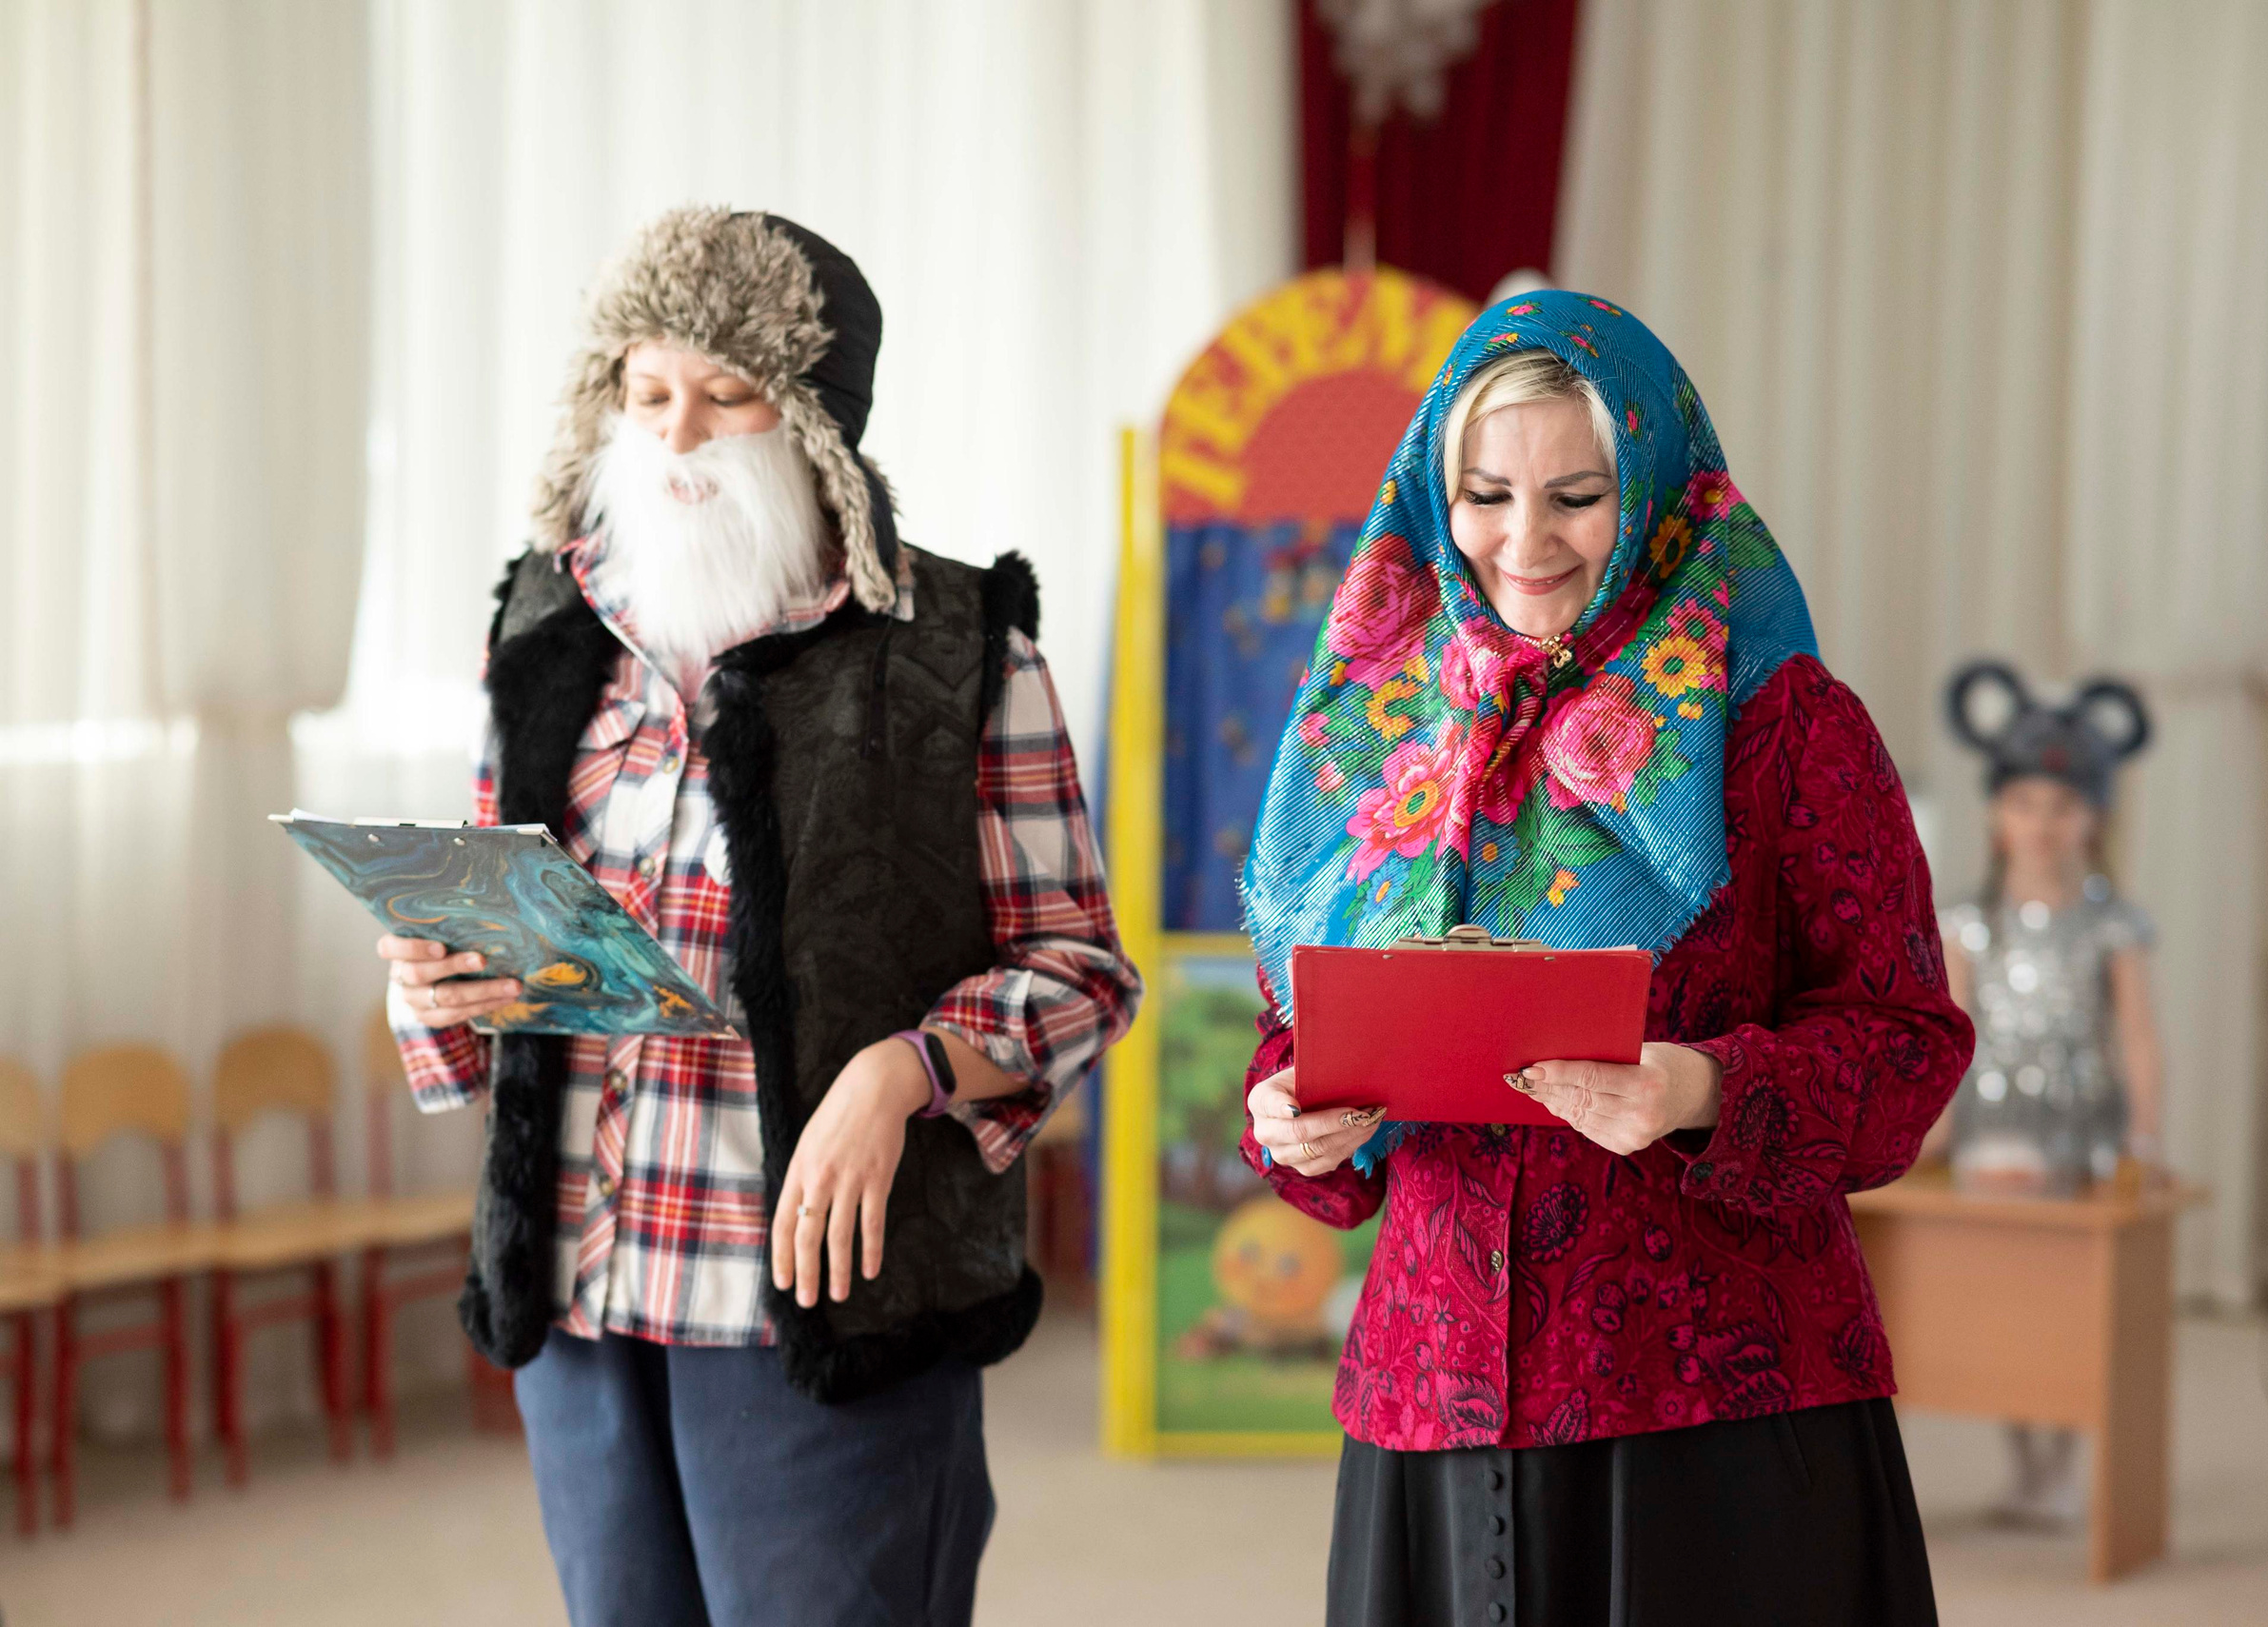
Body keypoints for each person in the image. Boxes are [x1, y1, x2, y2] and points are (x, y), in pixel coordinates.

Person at [378, 206, 1138, 1627]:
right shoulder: (542, 623)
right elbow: (497, 945)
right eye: (648, 392)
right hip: (583, 1291)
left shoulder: (960, 646)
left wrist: (899, 1070)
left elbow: (1081, 969)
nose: (677, 440)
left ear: (814, 422)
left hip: (820, 1297)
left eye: (729, 396)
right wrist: (434, 990)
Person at [1236, 292, 1973, 1626]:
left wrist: (1694, 1092)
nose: (1525, 544)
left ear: (1654, 487)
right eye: (1484, 493)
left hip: (1713, 1395)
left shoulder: (1783, 722)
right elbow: (1305, 1028)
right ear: (1430, 493)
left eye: (1576, 495)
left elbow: (1907, 1045)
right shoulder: (1378, 726)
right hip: (1435, 1384)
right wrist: (1289, 1117)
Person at [1930, 660, 2162, 1524]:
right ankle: (2023, 1456)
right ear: (1996, 816)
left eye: (2062, 807)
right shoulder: (1969, 921)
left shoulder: (2112, 922)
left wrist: (2143, 1136)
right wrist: (1935, 1130)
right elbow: (1950, 1030)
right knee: (2005, 1297)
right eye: (2024, 803)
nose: (2042, 823)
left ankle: (2063, 1459)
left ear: (2093, 820)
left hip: (2080, 1128)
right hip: (1995, 1128)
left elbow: (2136, 1035)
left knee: (2072, 1302)